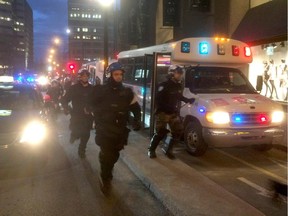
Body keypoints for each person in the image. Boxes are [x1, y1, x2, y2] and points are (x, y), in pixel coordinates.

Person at [91, 62, 141, 195]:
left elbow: (136, 108)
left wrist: (137, 120)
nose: (119, 77)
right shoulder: (100, 90)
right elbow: (90, 105)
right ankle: (105, 177)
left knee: (115, 155)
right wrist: (96, 115)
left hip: (119, 130)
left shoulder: (127, 93)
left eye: (120, 74)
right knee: (106, 155)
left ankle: (108, 169)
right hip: (104, 129)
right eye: (116, 74)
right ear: (110, 75)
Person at [148, 65, 195, 159]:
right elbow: (158, 99)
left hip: (172, 112)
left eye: (181, 74)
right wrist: (166, 107)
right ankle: (151, 150)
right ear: (172, 73)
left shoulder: (177, 85)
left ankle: (168, 149)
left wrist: (187, 100)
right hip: (162, 112)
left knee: (178, 131)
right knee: (160, 132)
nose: (180, 75)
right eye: (178, 73)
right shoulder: (164, 85)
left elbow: (177, 96)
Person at [62, 69, 94, 158]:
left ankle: (82, 149)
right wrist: (67, 108)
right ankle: (74, 135)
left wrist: (91, 109)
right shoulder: (74, 88)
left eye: (86, 76)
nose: (85, 77)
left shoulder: (92, 89)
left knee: (86, 134)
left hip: (88, 116)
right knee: (76, 130)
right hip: (76, 114)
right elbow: (65, 99)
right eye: (83, 76)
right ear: (79, 77)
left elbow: (96, 102)